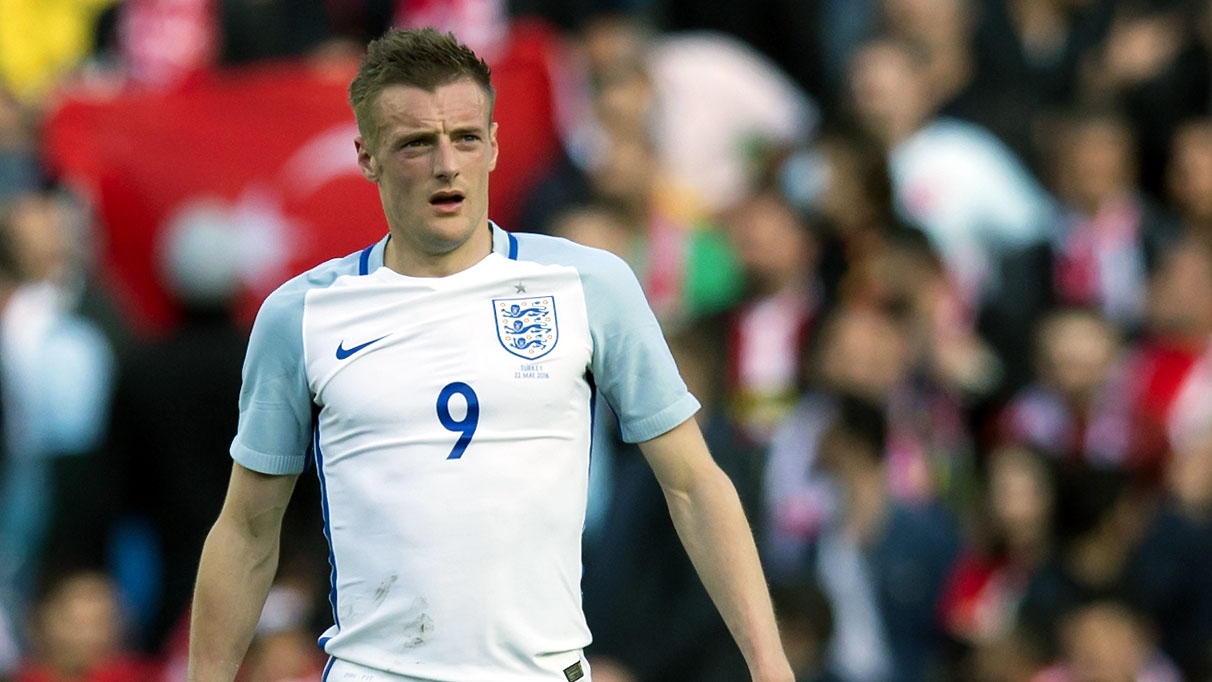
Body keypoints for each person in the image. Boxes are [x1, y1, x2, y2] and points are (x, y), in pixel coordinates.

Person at [187, 27, 794, 682]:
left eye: (466, 138)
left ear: (495, 145)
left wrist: (769, 664)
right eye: (417, 143)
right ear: (367, 156)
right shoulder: (301, 313)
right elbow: (247, 530)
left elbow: (694, 484)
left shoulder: (590, 284)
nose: (447, 163)